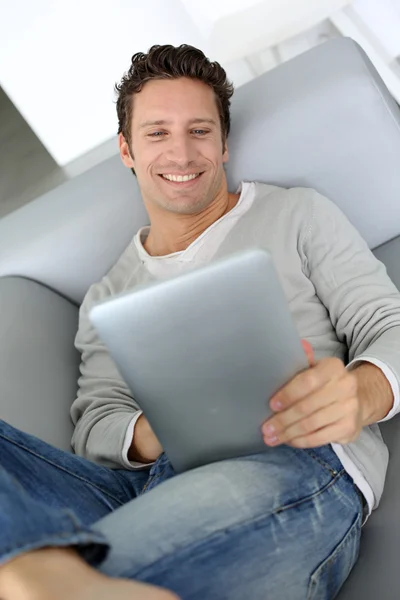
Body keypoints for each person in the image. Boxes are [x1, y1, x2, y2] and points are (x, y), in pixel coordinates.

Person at [1, 43, 400, 600]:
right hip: (139, 487)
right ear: (127, 150)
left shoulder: (294, 213)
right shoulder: (108, 294)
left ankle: (43, 575)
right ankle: (41, 574)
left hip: (296, 457)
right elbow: (95, 428)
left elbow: (388, 323)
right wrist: (165, 424)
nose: (182, 154)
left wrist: (362, 393)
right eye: (158, 133)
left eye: (200, 131)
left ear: (224, 144)